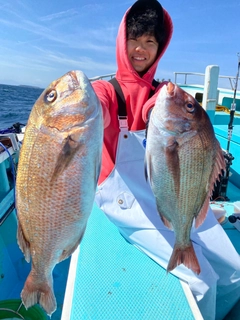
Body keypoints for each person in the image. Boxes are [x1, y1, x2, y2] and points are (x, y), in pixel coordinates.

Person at [92, 1, 240, 319]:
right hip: (124, 198)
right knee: (201, 284)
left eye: (150, 42)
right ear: (122, 40)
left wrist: (168, 109)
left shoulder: (163, 94)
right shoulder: (105, 89)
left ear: (160, 48)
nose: (141, 49)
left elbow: (153, 109)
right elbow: (98, 104)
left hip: (172, 194)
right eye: (135, 39)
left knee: (235, 272)